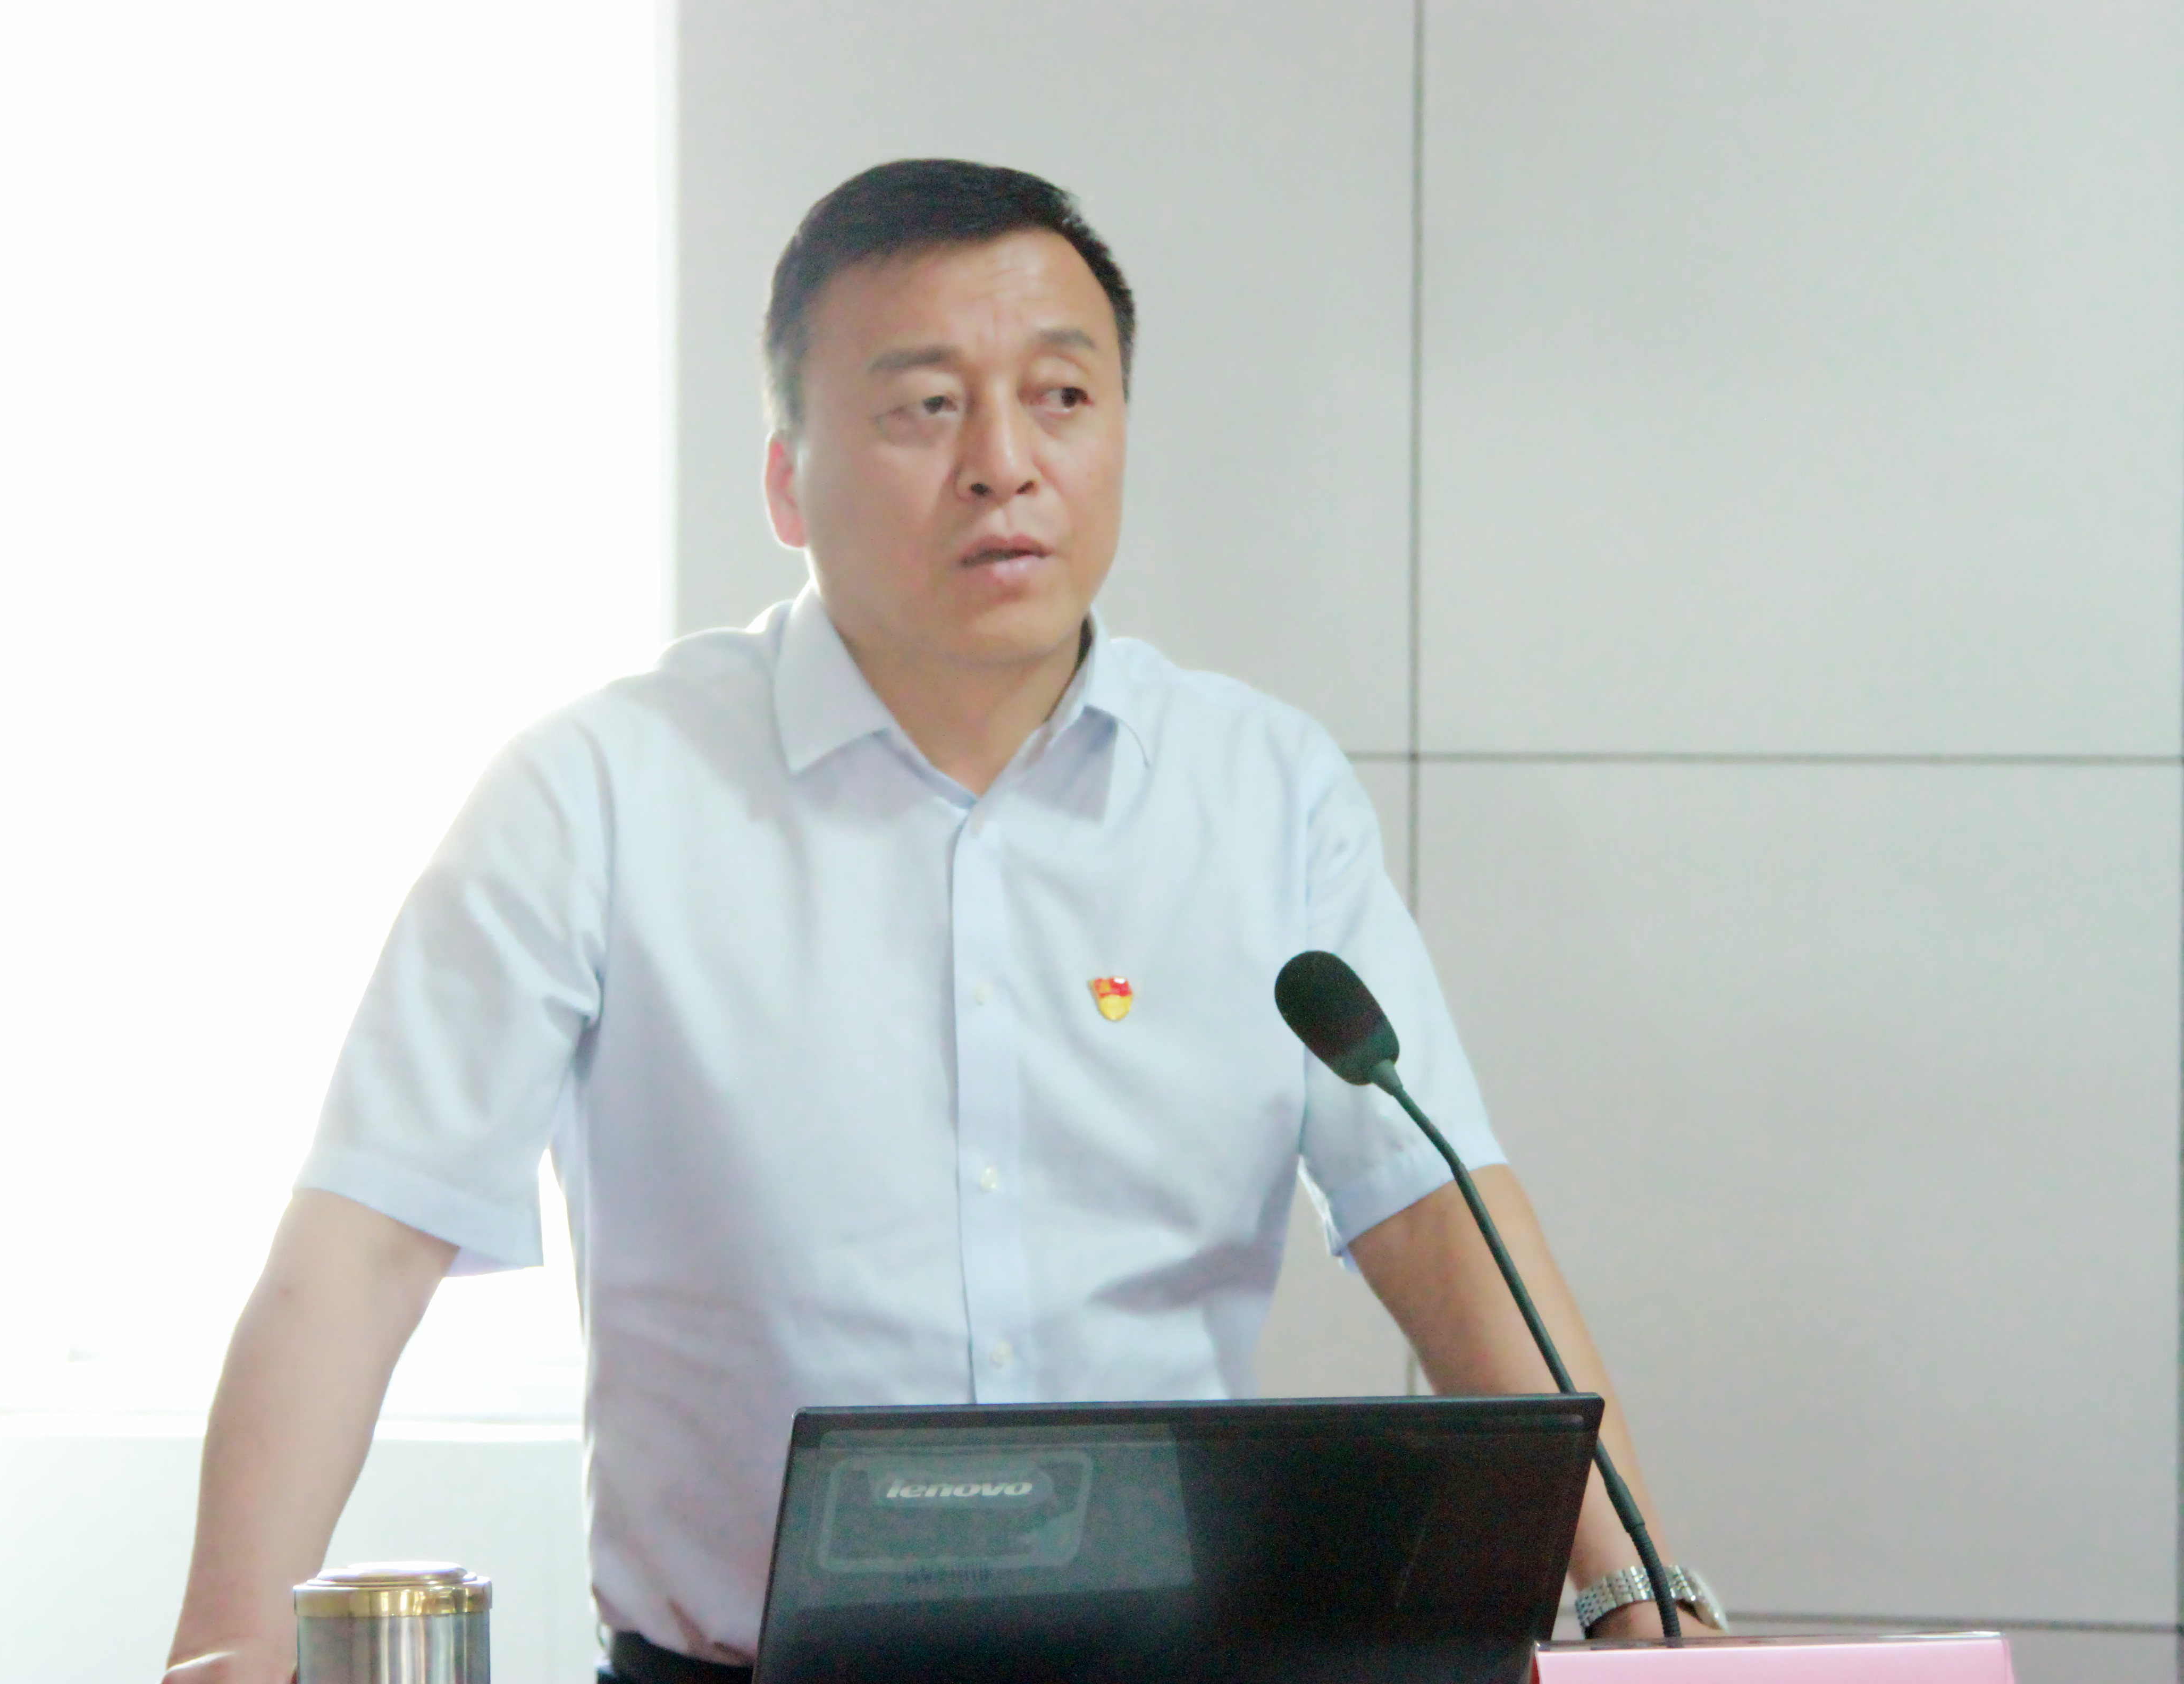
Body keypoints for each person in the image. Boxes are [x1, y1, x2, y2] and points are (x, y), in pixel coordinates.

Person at [161, 159, 1720, 1684]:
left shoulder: (1261, 792)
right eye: (925, 406)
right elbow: (367, 1244)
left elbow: (1436, 1211)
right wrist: (225, 1642)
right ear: (786, 478)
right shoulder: (601, 791)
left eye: (1062, 396)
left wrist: (1636, 1605)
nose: (1004, 464)